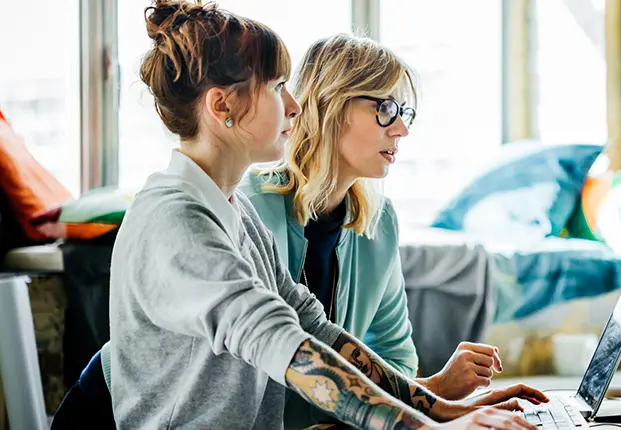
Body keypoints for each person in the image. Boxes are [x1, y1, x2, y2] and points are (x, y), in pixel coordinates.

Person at [52, 1, 547, 429]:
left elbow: (313, 327)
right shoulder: (176, 222)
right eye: (276, 87)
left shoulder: (231, 210)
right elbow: (281, 342)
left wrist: (440, 409)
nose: (294, 105)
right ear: (222, 106)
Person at [239, 33, 534, 428]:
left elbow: (395, 360)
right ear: (332, 103)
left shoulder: (378, 222)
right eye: (386, 108)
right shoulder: (250, 208)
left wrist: (438, 392)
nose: (401, 130)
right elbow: (258, 385)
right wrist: (436, 406)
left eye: (404, 113)